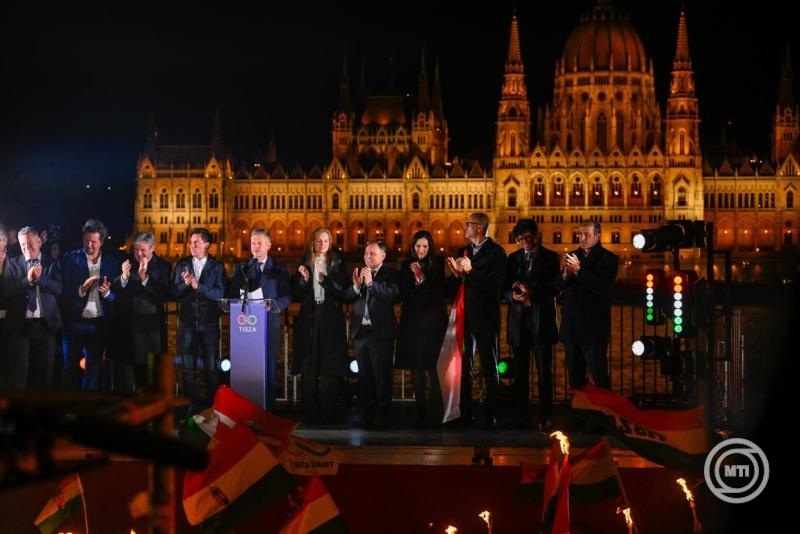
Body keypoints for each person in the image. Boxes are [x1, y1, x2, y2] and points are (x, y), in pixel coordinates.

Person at [446, 212, 506, 429]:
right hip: (467, 316)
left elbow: (495, 284)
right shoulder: (466, 251)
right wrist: (457, 275)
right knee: (465, 368)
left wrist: (472, 270)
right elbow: (463, 285)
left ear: (479, 228)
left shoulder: (497, 252)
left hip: (486, 317)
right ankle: (465, 412)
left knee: (490, 368)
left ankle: (491, 414)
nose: (465, 227)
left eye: (468, 224)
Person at [502, 219, 560, 430]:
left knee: (544, 373)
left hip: (541, 322)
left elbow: (555, 288)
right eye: (520, 239)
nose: (524, 242)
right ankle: (521, 416)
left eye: (527, 237)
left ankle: (545, 416)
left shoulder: (551, 258)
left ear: (536, 235)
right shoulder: (513, 258)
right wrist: (513, 294)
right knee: (520, 373)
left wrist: (532, 293)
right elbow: (504, 288)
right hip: (519, 323)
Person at [290, 227, 349, 424]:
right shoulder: (304, 261)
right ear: (313, 242)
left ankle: (329, 411)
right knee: (310, 364)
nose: (322, 244)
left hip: (330, 316)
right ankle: (310, 411)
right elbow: (296, 293)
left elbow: (342, 290)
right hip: (310, 317)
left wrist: (325, 281)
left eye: (326, 240)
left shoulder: (338, 262)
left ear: (330, 242)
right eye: (319, 241)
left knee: (331, 366)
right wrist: (304, 280)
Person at [228, 228, 291, 410]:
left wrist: (272, 305)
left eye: (259, 243)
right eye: (253, 242)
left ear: (269, 245)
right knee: (248, 374)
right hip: (246, 329)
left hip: (268, 326)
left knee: (270, 375)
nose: (255, 246)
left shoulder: (280, 269)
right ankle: (247, 411)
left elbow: (286, 297)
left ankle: (268, 413)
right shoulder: (241, 268)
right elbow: (232, 294)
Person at [342, 240, 400, 428]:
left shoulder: (391, 273)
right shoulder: (359, 272)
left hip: (380, 333)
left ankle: (383, 415)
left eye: (372, 254)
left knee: (382, 375)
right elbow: (347, 296)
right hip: (361, 332)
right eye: (366, 253)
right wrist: (357, 286)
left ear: (383, 256)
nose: (368, 257)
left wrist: (371, 284)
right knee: (365, 376)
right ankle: (366, 413)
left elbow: (391, 294)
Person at [556, 221, 619, 390]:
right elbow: (558, 288)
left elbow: (600, 287)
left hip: (593, 328)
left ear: (598, 236)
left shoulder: (609, 259)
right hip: (571, 327)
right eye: (580, 234)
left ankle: (605, 414)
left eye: (587, 234)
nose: (582, 238)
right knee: (575, 380)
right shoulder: (571, 256)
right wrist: (564, 275)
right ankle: (580, 414)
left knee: (599, 376)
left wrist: (578, 271)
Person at [171, 228, 228, 412]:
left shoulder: (217, 267)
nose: (191, 245)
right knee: (188, 368)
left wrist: (199, 286)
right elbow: (174, 293)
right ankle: (191, 405)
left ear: (206, 245)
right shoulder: (182, 265)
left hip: (209, 324)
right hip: (187, 324)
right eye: (190, 242)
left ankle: (211, 407)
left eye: (196, 242)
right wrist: (185, 285)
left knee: (211, 368)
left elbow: (220, 294)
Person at [60, 219, 119, 390]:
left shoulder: (111, 263)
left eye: (93, 241)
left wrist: (108, 293)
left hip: (98, 324)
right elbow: (63, 291)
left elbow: (116, 297)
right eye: (86, 241)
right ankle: (68, 408)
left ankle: (86, 409)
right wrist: (81, 289)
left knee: (93, 370)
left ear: (101, 241)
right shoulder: (70, 259)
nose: (89, 245)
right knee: (69, 368)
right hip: (74, 322)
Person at [397, 230, 448, 427]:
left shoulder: (437, 264)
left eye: (425, 246)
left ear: (430, 247)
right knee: (415, 368)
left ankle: (436, 410)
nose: (421, 250)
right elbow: (404, 292)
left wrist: (422, 279)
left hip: (433, 324)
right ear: (412, 246)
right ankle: (420, 411)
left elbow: (439, 292)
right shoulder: (405, 265)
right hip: (412, 323)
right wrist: (416, 282)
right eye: (418, 246)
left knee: (434, 367)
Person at [3, 227, 63, 389]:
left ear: (39, 242)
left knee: (44, 376)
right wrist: (27, 280)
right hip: (19, 327)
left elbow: (58, 288)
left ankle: (41, 412)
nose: (26, 248)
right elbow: (7, 291)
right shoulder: (13, 264)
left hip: (46, 326)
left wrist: (40, 279)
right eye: (23, 245)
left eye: (30, 243)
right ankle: (15, 412)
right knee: (18, 376)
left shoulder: (52, 263)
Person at [113, 232, 172, 392]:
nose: (138, 254)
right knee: (125, 378)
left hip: (150, 331)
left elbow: (164, 293)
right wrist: (123, 277)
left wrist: (145, 278)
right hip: (127, 329)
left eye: (143, 250)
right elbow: (115, 288)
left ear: (152, 248)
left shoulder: (163, 266)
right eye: (136, 250)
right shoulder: (126, 262)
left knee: (149, 378)